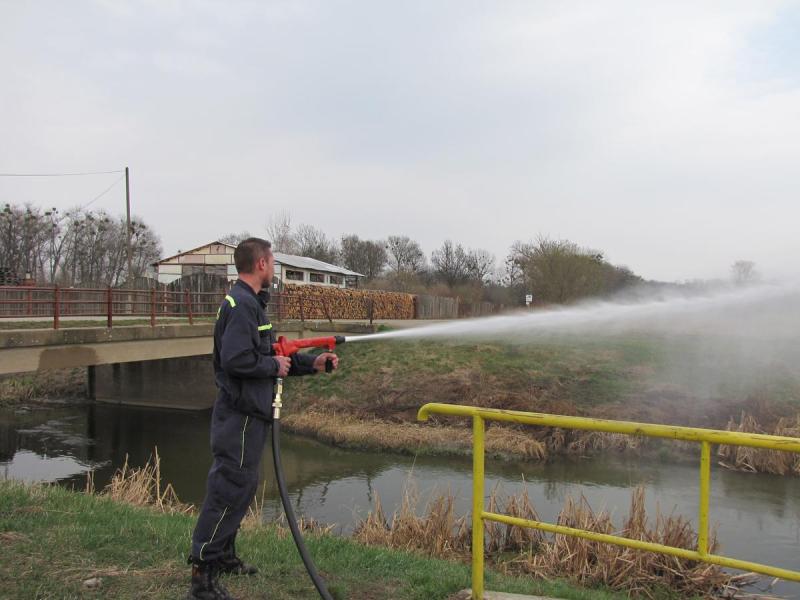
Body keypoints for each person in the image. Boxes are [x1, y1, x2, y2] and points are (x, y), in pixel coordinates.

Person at [187, 237, 338, 600]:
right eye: (272, 262)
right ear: (260, 264)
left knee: (241, 487)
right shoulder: (241, 306)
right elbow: (237, 360)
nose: (273, 268)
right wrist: (273, 365)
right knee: (229, 489)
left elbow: (269, 354)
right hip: (239, 417)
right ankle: (202, 575)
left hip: (249, 414)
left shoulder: (250, 303)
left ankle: (224, 555)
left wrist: (312, 363)